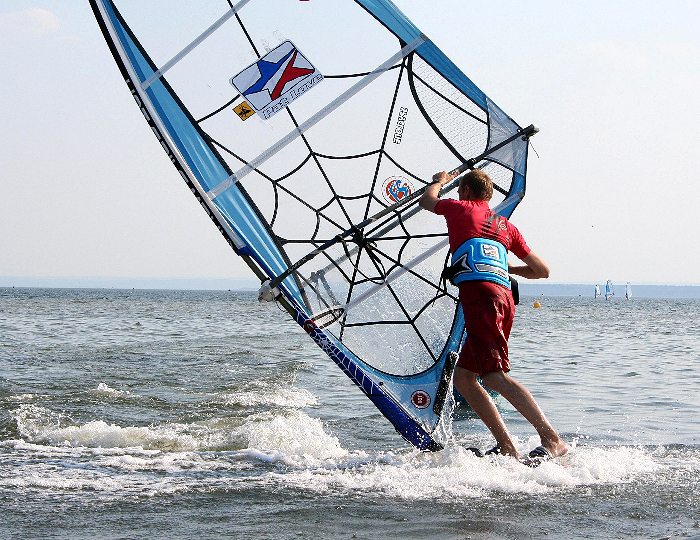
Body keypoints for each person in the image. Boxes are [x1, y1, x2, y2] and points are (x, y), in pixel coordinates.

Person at [419, 169, 568, 461]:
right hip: (502, 300)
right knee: (464, 378)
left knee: (494, 377)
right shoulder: (505, 226)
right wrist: (502, 264)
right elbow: (542, 271)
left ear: (464, 192)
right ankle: (506, 446)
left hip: (483, 301)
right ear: (488, 196)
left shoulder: (459, 208)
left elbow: (428, 200)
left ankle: (552, 439)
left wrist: (440, 180)